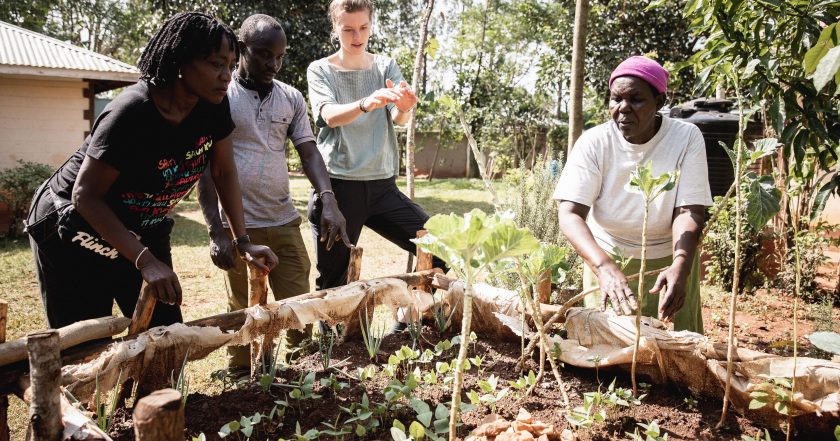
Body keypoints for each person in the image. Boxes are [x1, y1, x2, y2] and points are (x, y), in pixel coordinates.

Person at [25, 12, 278, 330]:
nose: (227, 75)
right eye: (216, 64)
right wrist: (144, 260)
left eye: (230, 65)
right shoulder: (132, 112)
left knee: (166, 340)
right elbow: (84, 195)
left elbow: (224, 173)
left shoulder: (214, 107)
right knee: (86, 343)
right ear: (180, 62)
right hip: (75, 225)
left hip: (142, 225)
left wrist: (243, 241)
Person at [197, 14, 350, 369]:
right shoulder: (221, 96)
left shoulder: (291, 98)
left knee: (299, 304)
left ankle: (301, 367)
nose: (273, 64)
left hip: (282, 219)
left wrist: (328, 198)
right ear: (242, 49)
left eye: (279, 56)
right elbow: (206, 167)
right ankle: (239, 373)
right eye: (264, 54)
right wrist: (215, 230)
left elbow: (309, 151)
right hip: (237, 227)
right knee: (242, 308)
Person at [555, 56, 712, 333]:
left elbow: (689, 211)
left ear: (660, 102)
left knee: (675, 356)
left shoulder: (686, 138)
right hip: (608, 259)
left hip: (670, 261)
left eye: (636, 99)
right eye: (616, 99)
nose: (623, 108)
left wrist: (681, 266)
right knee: (604, 354)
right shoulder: (595, 142)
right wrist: (603, 267)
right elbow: (570, 214)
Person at [306, 0, 444, 291]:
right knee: (333, 282)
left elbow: (399, 116)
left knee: (440, 251)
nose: (357, 37)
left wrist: (405, 106)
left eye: (364, 28)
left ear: (371, 25)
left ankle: (404, 322)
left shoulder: (385, 66)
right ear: (336, 28)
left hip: (383, 188)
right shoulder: (320, 69)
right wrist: (367, 103)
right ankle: (332, 338)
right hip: (338, 190)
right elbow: (329, 116)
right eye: (348, 29)